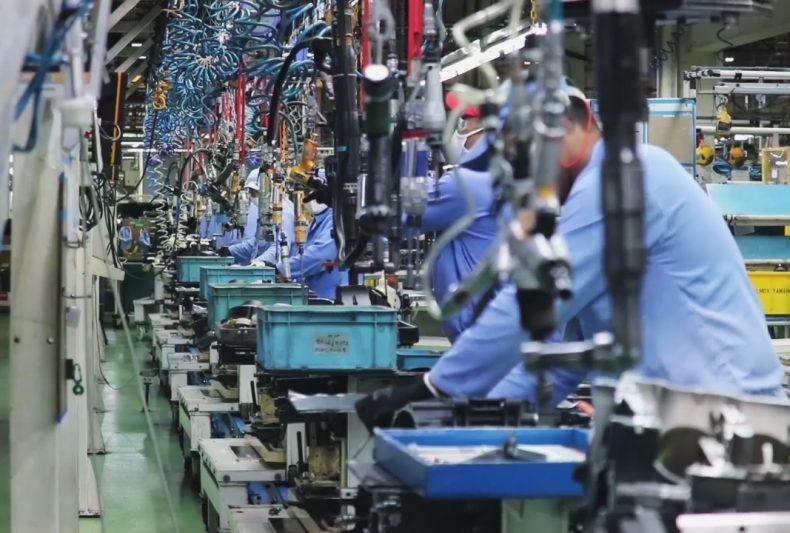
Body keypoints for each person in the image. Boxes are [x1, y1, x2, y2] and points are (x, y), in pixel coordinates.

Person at [356, 93, 785, 430]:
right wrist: (469, 414)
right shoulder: (588, 203)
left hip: (731, 421)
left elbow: (532, 301)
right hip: (673, 422)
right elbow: (558, 361)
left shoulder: (626, 176)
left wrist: (436, 388)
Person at [416, 92, 498, 342]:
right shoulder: (493, 175)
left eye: (463, 123)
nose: (458, 131)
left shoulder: (466, 183)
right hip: (484, 326)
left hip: (477, 332)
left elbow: (408, 213)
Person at [277, 189, 344, 300]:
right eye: (307, 191)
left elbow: (321, 257)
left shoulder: (337, 219)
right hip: (316, 297)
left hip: (335, 298)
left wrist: (283, 269)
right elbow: (301, 253)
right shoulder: (315, 222)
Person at [229, 168, 295, 266]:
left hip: (282, 271)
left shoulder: (284, 212)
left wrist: (260, 261)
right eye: (249, 192)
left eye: (253, 192)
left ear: (268, 191)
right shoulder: (265, 211)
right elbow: (257, 244)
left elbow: (280, 247)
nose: (251, 196)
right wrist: (229, 252)